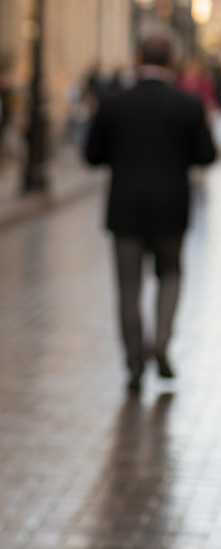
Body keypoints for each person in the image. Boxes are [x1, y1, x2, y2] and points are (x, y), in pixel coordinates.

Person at [85, 34, 216, 395]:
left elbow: (92, 155)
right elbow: (206, 155)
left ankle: (134, 363)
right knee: (170, 272)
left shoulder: (113, 103)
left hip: (125, 206)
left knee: (128, 285)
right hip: (171, 206)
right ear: (171, 61)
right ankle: (161, 339)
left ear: (137, 58)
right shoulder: (188, 105)